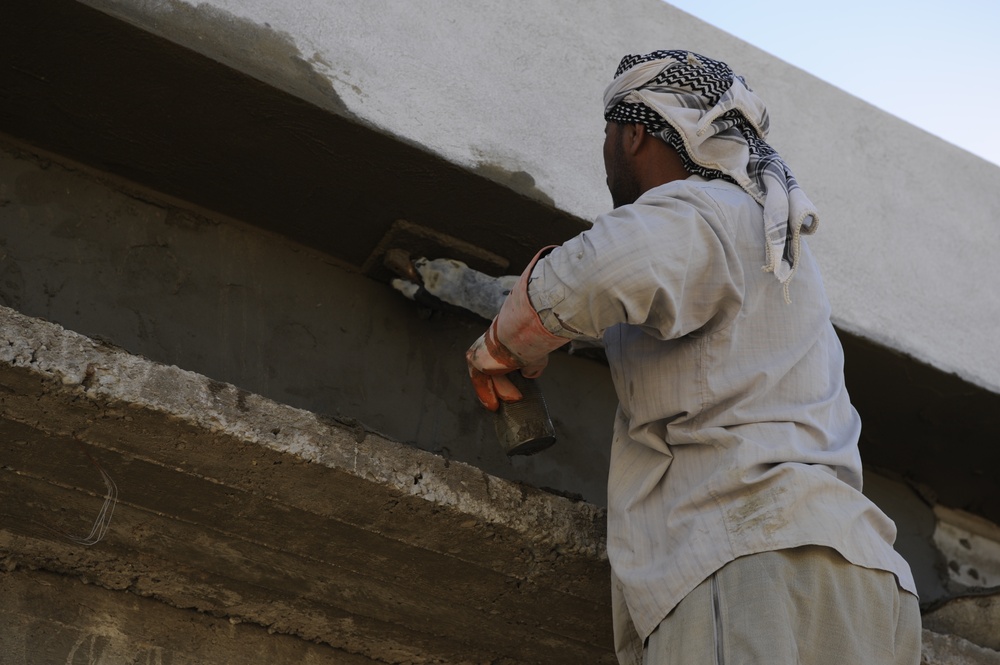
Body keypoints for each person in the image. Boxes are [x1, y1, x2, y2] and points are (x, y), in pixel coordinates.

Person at [465, 50, 921, 665]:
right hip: (869, 584)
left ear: (632, 134)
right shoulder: (774, 249)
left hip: (753, 555)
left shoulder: (701, 210)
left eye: (607, 135)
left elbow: (594, 272)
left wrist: (502, 344)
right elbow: (635, 300)